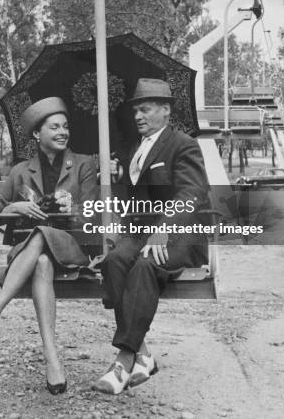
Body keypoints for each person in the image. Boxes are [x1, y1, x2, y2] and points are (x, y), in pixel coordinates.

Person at [0, 97, 98, 394]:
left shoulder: (84, 164)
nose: (63, 131)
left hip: (72, 246)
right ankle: (53, 361)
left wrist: (73, 209)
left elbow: (92, 214)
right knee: (40, 261)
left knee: (41, 233)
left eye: (65, 126)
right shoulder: (20, 171)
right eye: (54, 127)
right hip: (30, 252)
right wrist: (15, 208)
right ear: (37, 134)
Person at [93, 78, 209, 394]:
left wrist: (163, 229)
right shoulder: (135, 149)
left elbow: (192, 193)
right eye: (136, 111)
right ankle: (144, 356)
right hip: (142, 232)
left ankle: (124, 359)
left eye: (145, 109)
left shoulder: (182, 144)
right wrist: (115, 180)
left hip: (180, 233)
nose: (138, 116)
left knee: (145, 265)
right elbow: (136, 203)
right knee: (115, 261)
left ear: (165, 110)